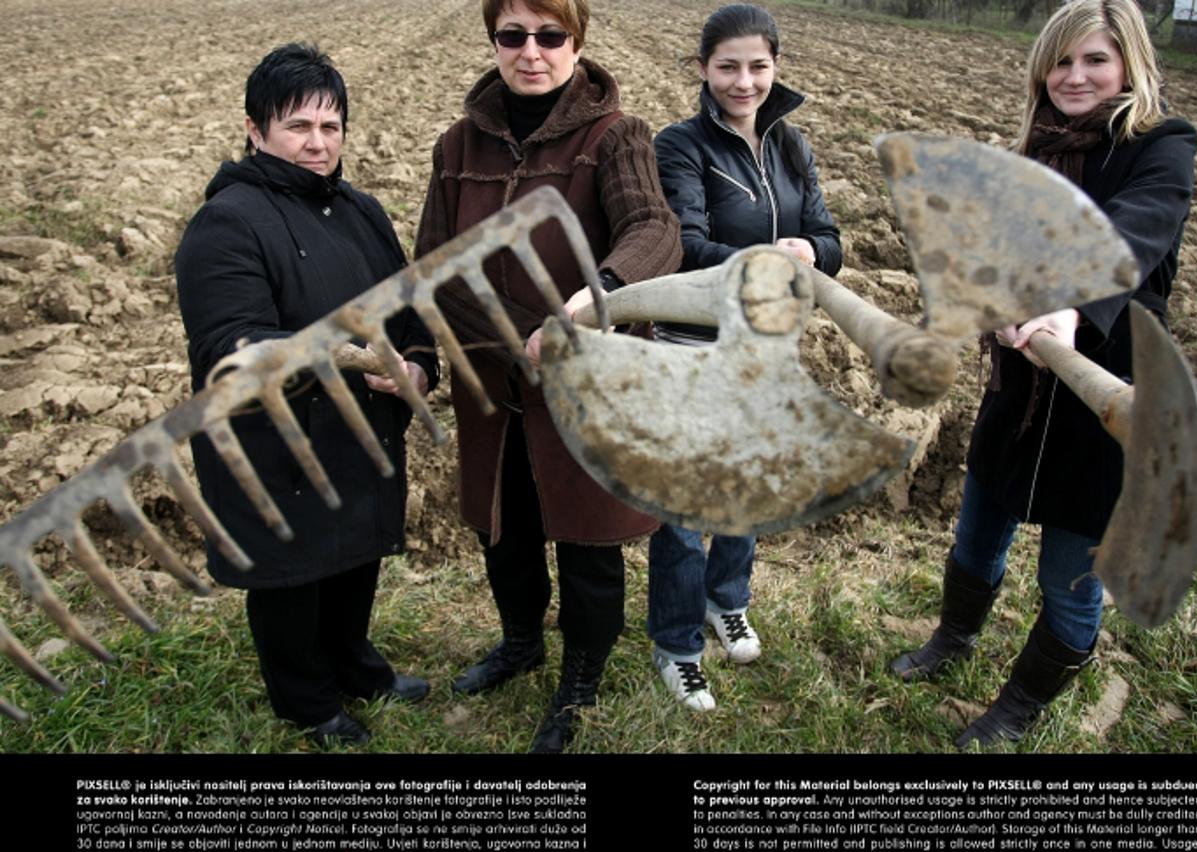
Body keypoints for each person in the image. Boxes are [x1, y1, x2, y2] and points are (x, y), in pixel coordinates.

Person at [889, 0, 1197, 748]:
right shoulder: (1034, 147)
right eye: (1061, 61)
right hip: (1022, 386)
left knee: (1072, 571)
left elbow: (1138, 225)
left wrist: (1069, 303)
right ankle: (954, 638)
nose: (1076, 76)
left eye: (1095, 59)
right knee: (976, 533)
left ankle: (1019, 706)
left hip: (1104, 393)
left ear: (1129, 63)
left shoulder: (1160, 146)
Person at [414, 0, 681, 752]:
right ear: (494, 41)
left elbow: (654, 230)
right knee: (507, 529)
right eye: (513, 35)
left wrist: (590, 301)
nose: (531, 52)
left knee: (587, 537)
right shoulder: (458, 145)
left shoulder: (615, 135)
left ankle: (581, 681)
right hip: (491, 381)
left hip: (583, 376)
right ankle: (521, 643)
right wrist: (495, 331)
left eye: (550, 35)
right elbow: (433, 257)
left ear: (576, 40)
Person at [176, 43, 439, 748]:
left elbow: (409, 308)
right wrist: (351, 356)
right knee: (293, 574)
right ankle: (306, 700)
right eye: (299, 126)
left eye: (331, 126)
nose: (318, 143)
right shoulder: (228, 222)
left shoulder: (362, 210)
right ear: (255, 130)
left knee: (353, 556)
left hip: (358, 429)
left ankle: (356, 666)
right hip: (276, 440)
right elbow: (228, 342)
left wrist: (415, 364)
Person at [648, 3, 841, 711]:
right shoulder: (680, 145)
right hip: (693, 348)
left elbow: (829, 237)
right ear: (703, 69)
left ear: (776, 67)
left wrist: (812, 251)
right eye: (728, 66)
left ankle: (725, 600)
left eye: (758, 66)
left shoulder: (791, 146)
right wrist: (770, 266)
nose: (744, 80)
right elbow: (688, 246)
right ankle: (676, 645)